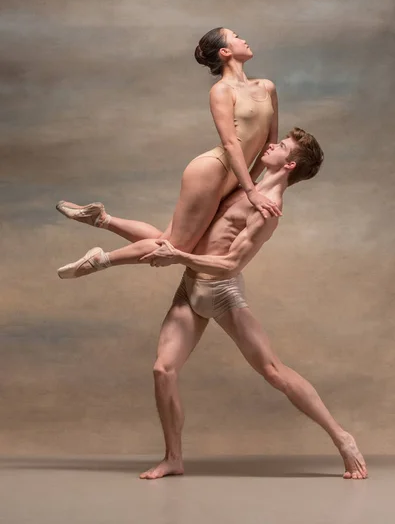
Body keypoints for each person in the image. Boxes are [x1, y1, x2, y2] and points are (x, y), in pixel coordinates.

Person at [56, 128, 368, 480]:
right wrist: (179, 253)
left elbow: (231, 263)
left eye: (280, 146)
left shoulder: (268, 209)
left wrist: (178, 255)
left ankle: (342, 438)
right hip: (191, 287)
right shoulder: (245, 184)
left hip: (221, 292)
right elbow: (248, 132)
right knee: (163, 369)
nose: (271, 144)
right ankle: (173, 458)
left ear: (290, 163)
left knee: (274, 371)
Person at [57, 27, 282, 264]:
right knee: (176, 247)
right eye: (236, 36)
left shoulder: (267, 87)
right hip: (212, 171)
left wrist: (246, 184)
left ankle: (101, 219)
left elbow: (270, 143)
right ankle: (100, 260)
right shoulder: (221, 91)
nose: (243, 39)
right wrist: (251, 191)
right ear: (225, 51)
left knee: (170, 240)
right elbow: (230, 143)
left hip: (235, 176)